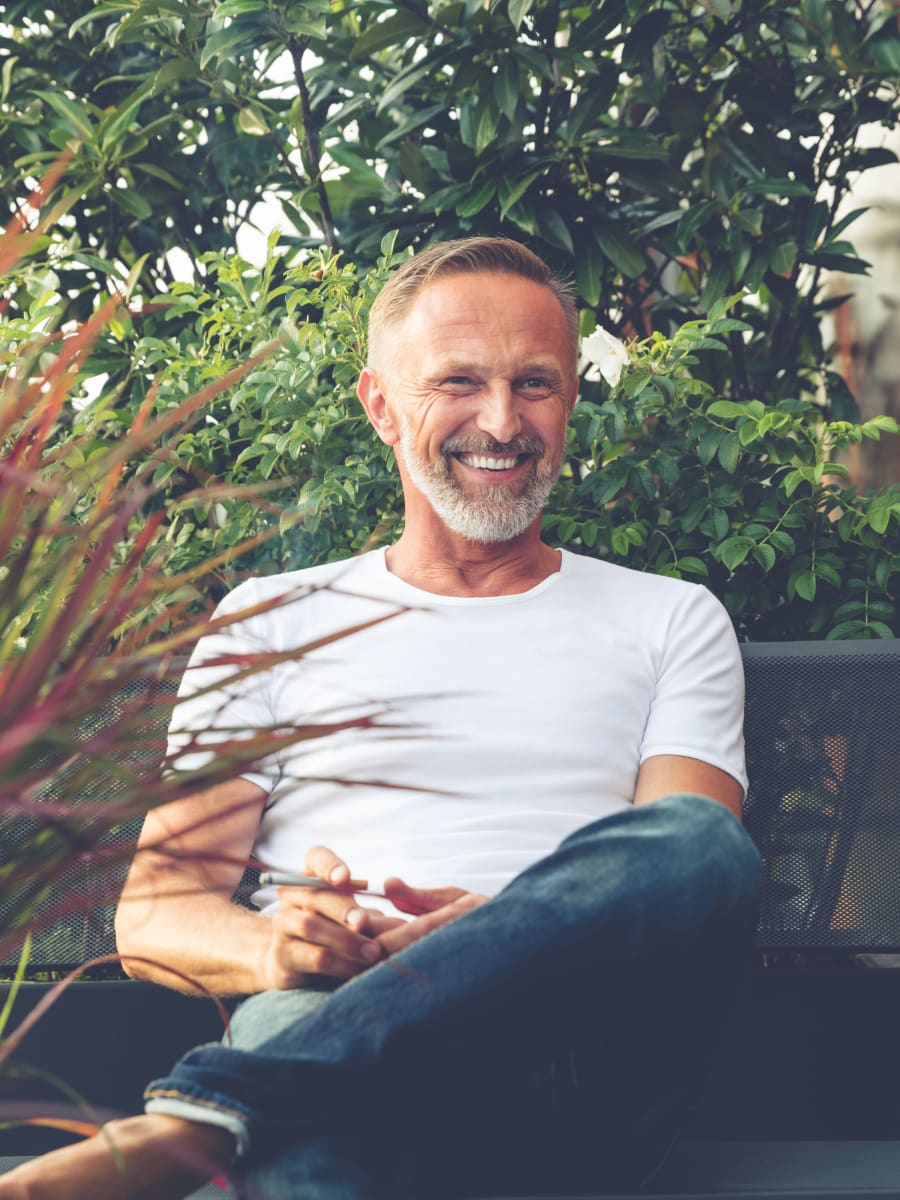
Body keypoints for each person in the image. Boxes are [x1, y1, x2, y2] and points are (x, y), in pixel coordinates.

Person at [2, 238, 762, 1200]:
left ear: (571, 400)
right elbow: (154, 916)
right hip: (335, 1017)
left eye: (535, 383)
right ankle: (239, 1110)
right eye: (458, 381)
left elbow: (684, 884)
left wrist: (504, 935)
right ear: (380, 408)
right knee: (298, 1039)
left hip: (574, 1058)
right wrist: (279, 946)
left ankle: (198, 1124)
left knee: (703, 843)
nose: (501, 419)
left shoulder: (671, 617)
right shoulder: (272, 619)